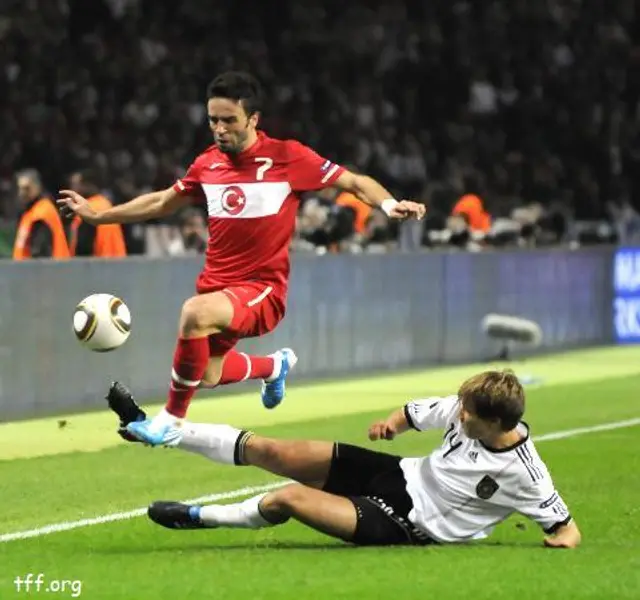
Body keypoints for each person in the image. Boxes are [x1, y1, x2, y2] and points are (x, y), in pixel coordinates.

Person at [58, 71, 425, 446]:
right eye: (213, 120)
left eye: (229, 120)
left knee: (194, 314)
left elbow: (354, 182)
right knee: (206, 375)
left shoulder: (287, 158)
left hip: (262, 288)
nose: (219, 129)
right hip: (216, 286)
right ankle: (273, 366)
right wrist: (99, 215)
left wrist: (389, 203)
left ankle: (169, 420)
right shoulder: (206, 164)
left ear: (253, 119)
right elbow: (161, 202)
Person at [108, 369, 581, 549]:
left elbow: (565, 527)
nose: (458, 414)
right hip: (398, 474)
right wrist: (392, 425)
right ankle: (156, 429)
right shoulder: (467, 407)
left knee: (289, 499)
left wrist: (561, 540)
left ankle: (198, 517)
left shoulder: (526, 473)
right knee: (273, 450)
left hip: (408, 523)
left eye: (468, 414)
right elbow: (416, 413)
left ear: (497, 423)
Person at [67, 168, 127, 258]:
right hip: (117, 264)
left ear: (86, 186)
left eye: (75, 185)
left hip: (97, 266)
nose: (72, 190)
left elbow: (83, 247)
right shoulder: (106, 204)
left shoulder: (86, 210)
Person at [13, 169, 71, 260]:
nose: (22, 193)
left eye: (27, 188)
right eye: (20, 188)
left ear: (38, 187)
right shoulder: (30, 212)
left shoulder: (41, 213)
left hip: (46, 272)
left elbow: (40, 253)